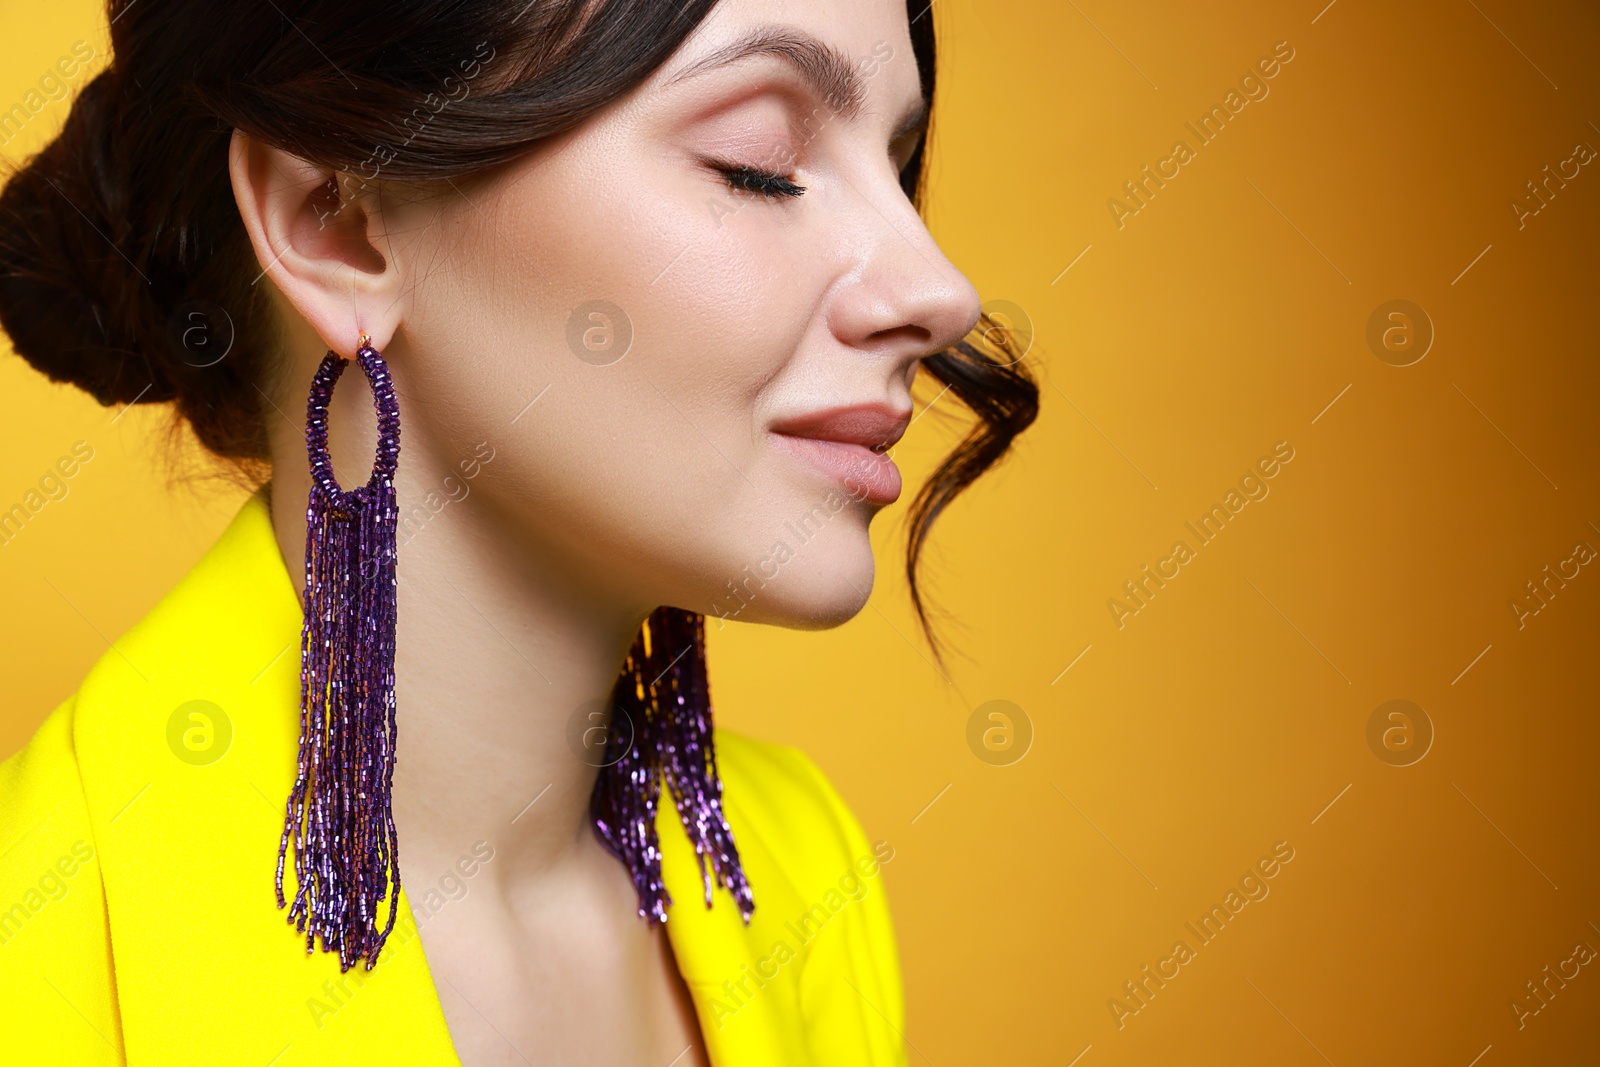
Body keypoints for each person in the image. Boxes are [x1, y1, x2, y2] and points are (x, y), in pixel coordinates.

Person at [0, 0, 1037, 1063]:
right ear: (338, 224)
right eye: (758, 164)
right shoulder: (34, 952)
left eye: (897, 168)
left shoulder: (803, 873)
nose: (939, 291)